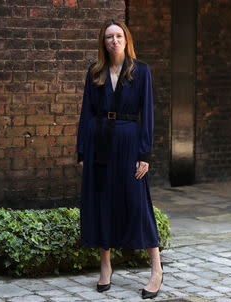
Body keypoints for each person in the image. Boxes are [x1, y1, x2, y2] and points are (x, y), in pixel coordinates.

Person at [76, 19, 163, 299]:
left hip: (128, 144)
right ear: (103, 42)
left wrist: (144, 154)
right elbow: (86, 113)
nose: (114, 40)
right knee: (102, 202)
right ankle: (105, 267)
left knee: (138, 204)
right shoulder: (95, 72)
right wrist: (82, 150)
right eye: (109, 37)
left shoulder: (141, 72)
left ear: (127, 39)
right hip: (99, 142)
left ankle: (157, 268)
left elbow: (147, 114)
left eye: (119, 36)